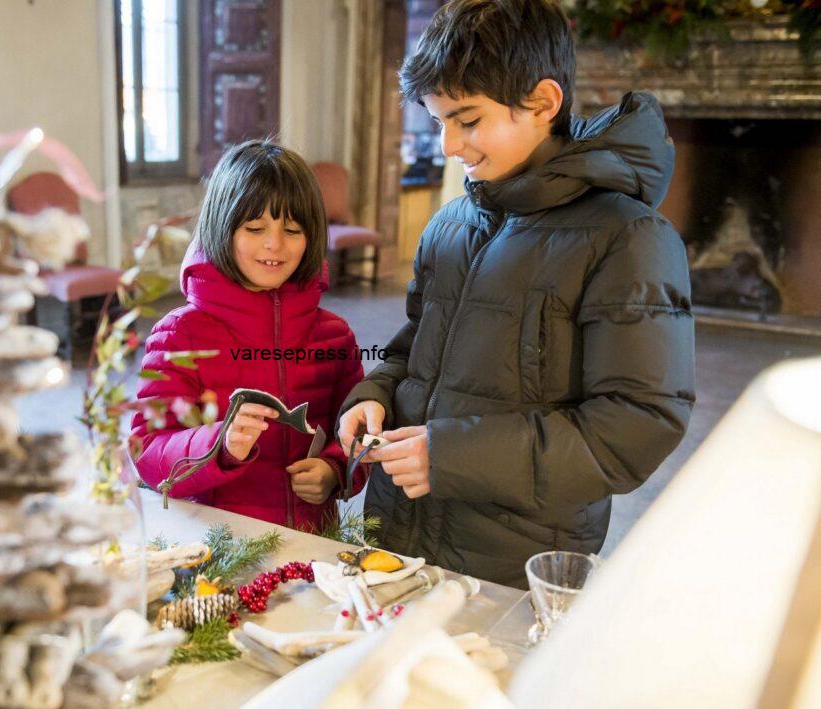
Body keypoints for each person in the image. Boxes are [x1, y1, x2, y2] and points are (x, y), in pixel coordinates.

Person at [337, 0, 695, 587]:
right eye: (438, 122)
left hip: (515, 559)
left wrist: (450, 457)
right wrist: (373, 394)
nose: (450, 145)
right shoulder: (448, 225)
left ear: (543, 103)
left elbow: (637, 425)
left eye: (468, 119)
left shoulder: (628, 238)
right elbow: (408, 352)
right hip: (398, 530)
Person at [133, 139, 366, 531]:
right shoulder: (179, 336)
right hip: (217, 551)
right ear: (222, 227)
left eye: (292, 229)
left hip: (313, 546)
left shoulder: (334, 337)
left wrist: (335, 471)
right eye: (255, 228)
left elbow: (354, 433)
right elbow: (148, 452)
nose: (274, 244)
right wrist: (217, 447)